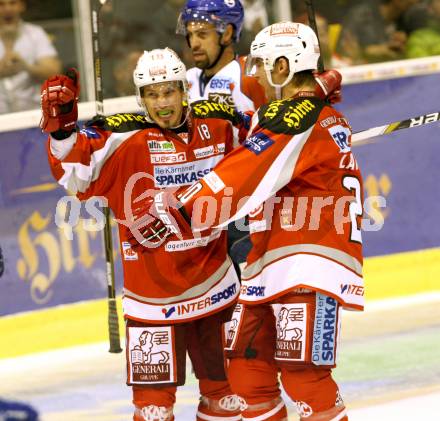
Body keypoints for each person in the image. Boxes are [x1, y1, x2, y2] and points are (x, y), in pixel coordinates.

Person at [128, 22, 361, 421]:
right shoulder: (303, 112)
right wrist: (318, 90)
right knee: (246, 371)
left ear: (284, 66)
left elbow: (242, 173)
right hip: (270, 264)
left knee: (305, 377)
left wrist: (179, 208)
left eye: (261, 64)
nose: (252, 73)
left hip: (307, 261)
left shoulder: (296, 117)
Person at [41, 48, 249, 421]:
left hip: (216, 288)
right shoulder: (123, 135)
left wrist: (307, 101)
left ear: (185, 89)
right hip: (152, 302)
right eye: (152, 94)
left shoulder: (220, 122)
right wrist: (63, 129)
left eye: (169, 91)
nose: (162, 103)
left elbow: (265, 140)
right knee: (153, 411)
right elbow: (74, 172)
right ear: (141, 98)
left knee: (227, 399)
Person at [176, 0, 267, 275]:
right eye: (191, 34)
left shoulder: (251, 76)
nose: (194, 43)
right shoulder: (182, 80)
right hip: (198, 209)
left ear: (227, 33)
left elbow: (281, 126)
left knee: (251, 297)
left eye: (202, 34)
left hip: (243, 207)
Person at [0, 0, 61, 113]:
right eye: (1, 4)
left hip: (32, 116)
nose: (7, 9)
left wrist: (27, 67)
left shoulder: (35, 33)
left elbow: (54, 72)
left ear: (21, 6)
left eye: (12, 3)